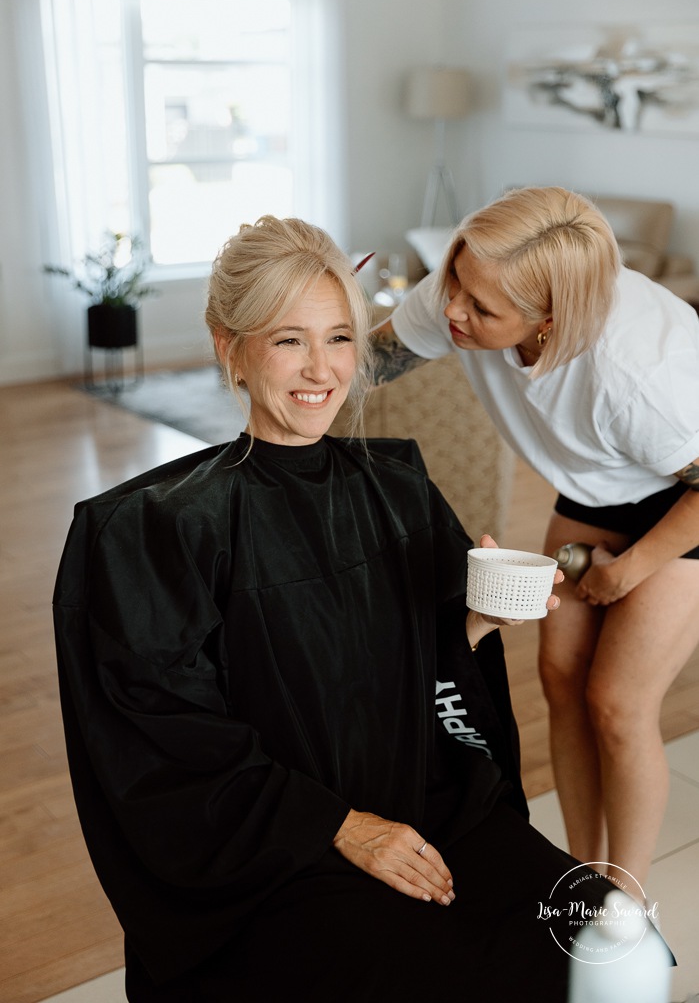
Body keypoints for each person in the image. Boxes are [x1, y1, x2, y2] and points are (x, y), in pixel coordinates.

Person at [54, 214, 630, 1003]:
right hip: (277, 844)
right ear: (231, 348)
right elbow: (162, 736)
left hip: (426, 803)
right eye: (288, 339)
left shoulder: (395, 488)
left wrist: (478, 621)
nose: (320, 369)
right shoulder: (157, 528)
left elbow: (421, 663)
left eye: (339, 338)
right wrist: (343, 825)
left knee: (610, 938)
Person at [372, 185, 699, 894]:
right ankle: (584, 877)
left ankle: (627, 903)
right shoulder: (468, 285)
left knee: (616, 700)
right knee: (559, 676)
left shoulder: (635, 373)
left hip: (686, 502)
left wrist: (631, 570)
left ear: (548, 319)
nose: (451, 307)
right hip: (597, 483)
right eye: (454, 280)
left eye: (481, 309)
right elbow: (370, 361)